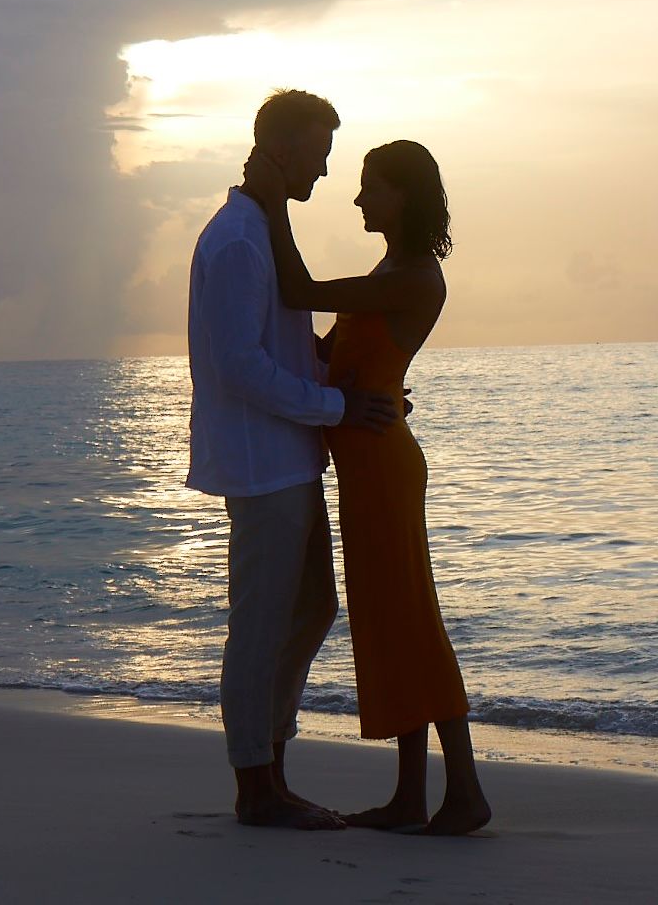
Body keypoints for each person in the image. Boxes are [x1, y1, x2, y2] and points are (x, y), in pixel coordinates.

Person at [244, 138, 492, 836]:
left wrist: (270, 205)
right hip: (363, 467)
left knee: (409, 620)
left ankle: (465, 791)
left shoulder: (413, 275)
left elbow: (299, 293)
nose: (357, 199)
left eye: (370, 187)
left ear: (404, 195)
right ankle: (411, 797)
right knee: (387, 624)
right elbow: (327, 356)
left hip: (383, 468)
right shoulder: (389, 268)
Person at [185, 89, 401, 830]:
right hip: (262, 462)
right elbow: (238, 365)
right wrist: (339, 408)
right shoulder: (240, 240)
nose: (327, 169)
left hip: (289, 456)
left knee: (310, 609)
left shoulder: (260, 230)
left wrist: (348, 385)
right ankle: (257, 784)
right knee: (263, 624)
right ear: (280, 150)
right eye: (318, 152)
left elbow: (282, 347)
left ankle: (270, 765)